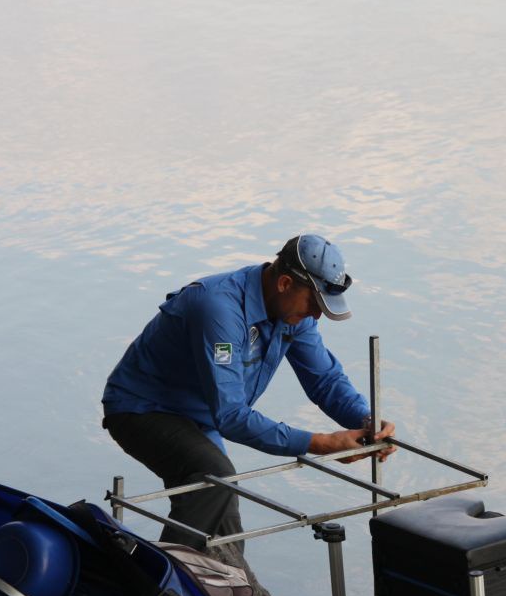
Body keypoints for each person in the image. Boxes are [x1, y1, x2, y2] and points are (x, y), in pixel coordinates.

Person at [101, 234, 395, 550]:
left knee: (225, 526)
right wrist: (320, 443)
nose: (317, 315)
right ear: (284, 283)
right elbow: (231, 415)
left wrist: (367, 419)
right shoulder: (219, 311)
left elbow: (325, 381)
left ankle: (226, 592)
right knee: (215, 478)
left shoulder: (294, 314)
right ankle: (162, 585)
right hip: (143, 409)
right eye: (314, 302)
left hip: (201, 417)